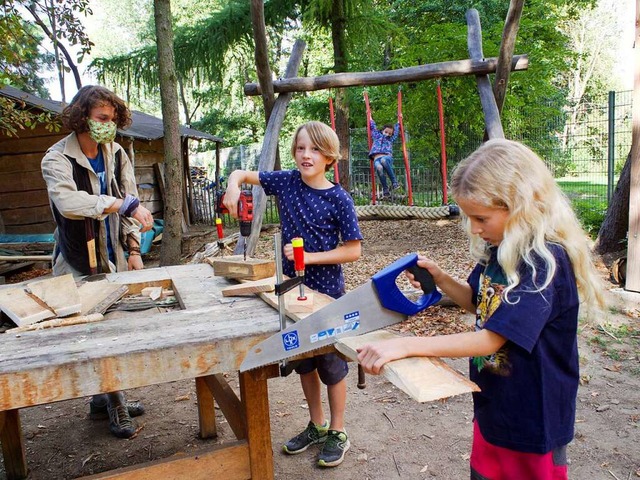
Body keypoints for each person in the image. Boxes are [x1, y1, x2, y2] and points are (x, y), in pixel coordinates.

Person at [357, 139, 604, 480]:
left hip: (534, 416)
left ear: (521, 206)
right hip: (495, 403)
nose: (473, 228)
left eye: (481, 217)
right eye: (468, 216)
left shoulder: (544, 262)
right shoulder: (499, 249)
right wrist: (442, 279)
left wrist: (405, 344)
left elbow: (491, 339)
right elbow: (477, 300)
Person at [224, 121, 363, 467]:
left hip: (326, 294)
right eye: (301, 148)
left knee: (331, 364)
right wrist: (231, 187)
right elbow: (242, 173)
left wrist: (310, 257)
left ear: (329, 156)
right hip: (291, 291)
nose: (306, 155)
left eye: (314, 149)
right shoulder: (286, 182)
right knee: (304, 362)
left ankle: (338, 431)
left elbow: (353, 251)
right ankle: (316, 425)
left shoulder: (338, 198)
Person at [41, 85, 155, 439]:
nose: (109, 125)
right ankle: (115, 401)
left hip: (113, 256)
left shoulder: (116, 152)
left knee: (114, 328)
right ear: (81, 117)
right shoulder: (56, 158)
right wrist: (119, 205)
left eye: (113, 119)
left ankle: (103, 397)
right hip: (76, 259)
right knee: (90, 333)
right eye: (102, 118)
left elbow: (130, 199)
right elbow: (70, 204)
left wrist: (134, 250)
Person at [368, 118, 400, 198]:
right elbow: (373, 127)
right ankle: (385, 189)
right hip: (376, 158)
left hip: (386, 156)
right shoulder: (376, 136)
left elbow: (396, 132)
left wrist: (398, 123)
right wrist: (370, 118)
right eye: (386, 132)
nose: (387, 134)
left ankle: (394, 182)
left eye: (389, 133)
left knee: (383, 160)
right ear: (382, 130)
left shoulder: (390, 139)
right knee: (379, 167)